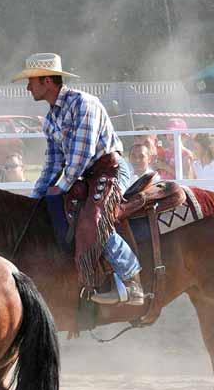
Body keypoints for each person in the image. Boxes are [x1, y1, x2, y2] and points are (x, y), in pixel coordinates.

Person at [13, 52, 144, 305]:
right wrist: (35, 199)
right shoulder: (51, 119)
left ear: (47, 81)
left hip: (110, 170)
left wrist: (59, 188)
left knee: (95, 219)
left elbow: (80, 157)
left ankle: (132, 280)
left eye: (31, 81)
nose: (28, 87)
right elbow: (52, 163)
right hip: (86, 175)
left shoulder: (84, 104)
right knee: (59, 213)